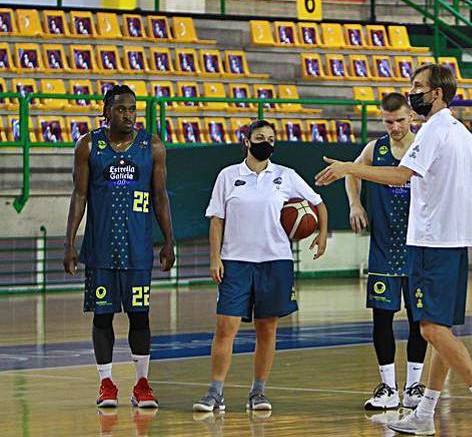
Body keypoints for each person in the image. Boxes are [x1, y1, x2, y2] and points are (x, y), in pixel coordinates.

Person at [317, 64, 472, 437]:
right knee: (441, 330)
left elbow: (399, 175)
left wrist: (350, 169)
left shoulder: (433, 130)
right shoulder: (464, 134)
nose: (412, 91)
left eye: (418, 86)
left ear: (436, 93)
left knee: (431, 329)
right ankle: (424, 413)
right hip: (456, 242)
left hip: (431, 242)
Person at [194, 119, 329, 413]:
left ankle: (258, 391)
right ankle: (215, 392)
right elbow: (217, 220)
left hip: (275, 261)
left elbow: (318, 203)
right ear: (247, 141)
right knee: (225, 327)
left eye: (270, 138)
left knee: (267, 329)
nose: (265, 141)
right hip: (235, 262)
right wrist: (215, 257)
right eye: (259, 137)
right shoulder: (228, 176)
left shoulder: (286, 175)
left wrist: (321, 235)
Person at [63, 84, 176, 408]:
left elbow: (160, 196)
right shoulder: (88, 145)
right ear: (106, 111)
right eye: (121, 109)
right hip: (100, 249)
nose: (128, 115)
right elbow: (79, 196)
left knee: (140, 316)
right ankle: (106, 383)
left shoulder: (152, 145)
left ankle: (142, 383)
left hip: (138, 249)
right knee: (103, 317)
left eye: (132, 109)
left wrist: (168, 240)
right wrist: (69, 242)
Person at [344, 93, 429, 411]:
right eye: (388, 121)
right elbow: (352, 172)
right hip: (384, 246)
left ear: (412, 118)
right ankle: (388, 388)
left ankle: (415, 387)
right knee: (382, 318)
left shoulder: (423, 147)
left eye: (400, 120)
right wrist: (356, 203)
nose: (394, 127)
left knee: (419, 320)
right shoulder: (375, 149)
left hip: (419, 246)